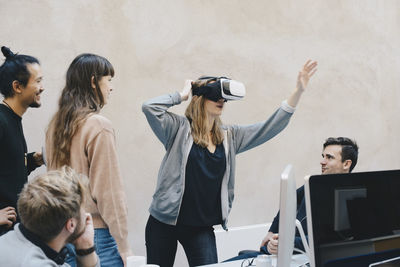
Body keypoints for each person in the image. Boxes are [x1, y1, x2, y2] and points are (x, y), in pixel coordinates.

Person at [142, 60, 318, 267]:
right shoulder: (178, 130)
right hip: (163, 223)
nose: (221, 101)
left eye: (224, 98)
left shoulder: (230, 137)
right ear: (200, 99)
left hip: (200, 227)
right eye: (215, 96)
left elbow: (270, 127)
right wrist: (181, 95)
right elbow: (149, 107)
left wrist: (298, 92)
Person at [45, 53, 132, 267]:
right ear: (94, 82)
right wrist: (124, 245)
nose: (111, 87)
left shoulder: (55, 126)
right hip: (95, 235)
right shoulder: (98, 126)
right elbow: (109, 192)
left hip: (61, 235)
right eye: (108, 80)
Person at [231, 137, 359, 260]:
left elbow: (331, 240)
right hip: (279, 256)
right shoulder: (314, 185)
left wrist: (288, 243)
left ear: (346, 164)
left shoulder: (351, 199)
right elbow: (289, 200)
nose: (322, 161)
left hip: (300, 258)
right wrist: (272, 231)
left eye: (329, 157)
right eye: (323, 156)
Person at [0, 167, 100, 267]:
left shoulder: (5, 242)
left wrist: (85, 246)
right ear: (71, 225)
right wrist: (87, 248)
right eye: (83, 208)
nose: (87, 214)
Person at [0, 46, 44, 235]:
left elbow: (8, 169)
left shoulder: (12, 119)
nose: (42, 87)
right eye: (38, 81)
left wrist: (36, 159)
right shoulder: (1, 121)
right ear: (17, 87)